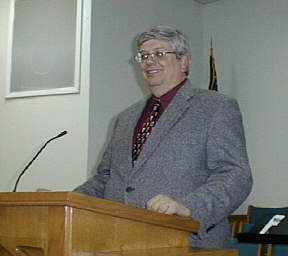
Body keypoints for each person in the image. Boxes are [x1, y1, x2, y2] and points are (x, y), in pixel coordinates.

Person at [74, 25, 253, 248]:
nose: (149, 61)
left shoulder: (215, 107)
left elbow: (235, 175)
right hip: (120, 241)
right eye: (143, 56)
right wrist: (67, 201)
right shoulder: (124, 118)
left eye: (159, 54)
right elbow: (106, 178)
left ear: (184, 61)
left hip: (187, 242)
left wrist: (189, 207)